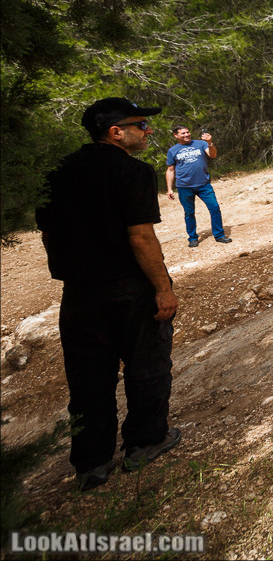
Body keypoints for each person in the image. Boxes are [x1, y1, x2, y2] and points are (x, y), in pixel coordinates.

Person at [35, 97, 182, 491]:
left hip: (80, 294)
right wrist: (163, 289)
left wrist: (67, 270)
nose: (147, 131)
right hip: (130, 289)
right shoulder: (132, 172)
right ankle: (146, 442)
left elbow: (48, 233)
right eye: (140, 125)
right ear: (116, 132)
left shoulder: (57, 172)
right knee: (146, 366)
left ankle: (92, 463)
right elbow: (140, 236)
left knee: (88, 379)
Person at [166, 124, 230, 247]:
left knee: (214, 208)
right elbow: (170, 170)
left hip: (203, 184)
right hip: (184, 186)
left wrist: (210, 143)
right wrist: (169, 188)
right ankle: (192, 238)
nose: (186, 135)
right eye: (183, 133)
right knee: (189, 212)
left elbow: (213, 155)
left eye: (187, 132)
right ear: (176, 135)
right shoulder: (172, 150)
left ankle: (219, 235)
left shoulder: (201, 144)